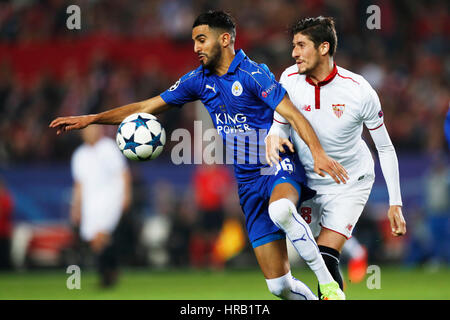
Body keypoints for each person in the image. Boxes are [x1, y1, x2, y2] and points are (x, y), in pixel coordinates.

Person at [51, 11, 348, 300]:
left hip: (275, 164)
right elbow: (148, 106)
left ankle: (329, 288)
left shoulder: (253, 74)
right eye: (194, 41)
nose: (196, 48)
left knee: (281, 210)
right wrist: (93, 118)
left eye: (202, 39)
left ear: (225, 39)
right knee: (278, 287)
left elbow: (294, 115)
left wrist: (317, 154)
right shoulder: (197, 80)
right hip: (246, 182)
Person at [266, 16, 407, 296]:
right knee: (299, 263)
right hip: (307, 180)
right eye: (293, 45)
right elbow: (281, 123)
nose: (294, 53)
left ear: (323, 47)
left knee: (326, 254)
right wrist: (273, 134)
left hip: (349, 182)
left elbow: (385, 147)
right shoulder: (289, 78)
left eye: (301, 45)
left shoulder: (359, 90)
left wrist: (395, 203)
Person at [70, 125, 132, 287]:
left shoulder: (109, 148)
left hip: (110, 199)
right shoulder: (79, 155)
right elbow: (79, 184)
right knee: (94, 240)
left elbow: (123, 173)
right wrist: (76, 206)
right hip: (90, 203)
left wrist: (126, 195)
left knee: (101, 236)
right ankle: (110, 270)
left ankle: (105, 276)